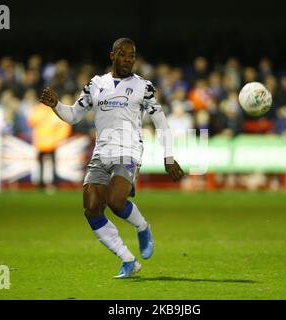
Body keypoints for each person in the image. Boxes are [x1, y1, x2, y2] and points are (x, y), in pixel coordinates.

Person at [39, 38, 184, 278]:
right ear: (112, 55)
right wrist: (56, 105)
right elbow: (74, 115)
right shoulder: (96, 84)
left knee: (116, 201)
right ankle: (128, 260)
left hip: (128, 151)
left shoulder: (143, 87)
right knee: (91, 209)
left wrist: (168, 156)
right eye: (123, 54)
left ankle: (142, 227)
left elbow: (160, 122)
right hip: (101, 153)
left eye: (132, 56)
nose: (128, 59)